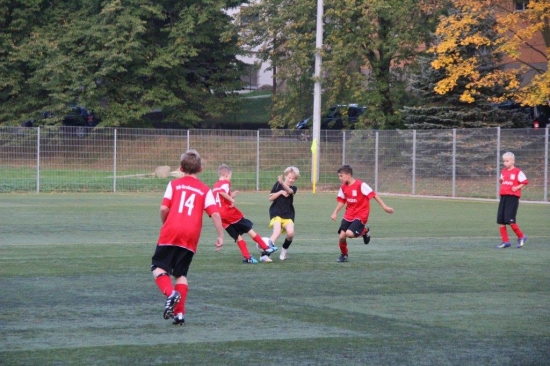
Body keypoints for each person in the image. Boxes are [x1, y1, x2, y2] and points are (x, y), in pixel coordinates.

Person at [151, 150, 225, 326]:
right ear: (200, 169)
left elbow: (163, 208)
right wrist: (221, 235)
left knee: (157, 266)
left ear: (180, 168)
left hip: (171, 231)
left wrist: (166, 223)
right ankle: (179, 315)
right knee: (181, 274)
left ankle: (171, 294)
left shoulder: (174, 184)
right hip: (191, 235)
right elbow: (215, 214)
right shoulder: (205, 189)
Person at [212, 164, 277, 263]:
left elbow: (219, 198)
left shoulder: (215, 185)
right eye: (230, 177)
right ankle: (265, 247)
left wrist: (231, 195)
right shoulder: (225, 183)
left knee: (237, 235)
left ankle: (247, 257)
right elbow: (222, 193)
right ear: (226, 175)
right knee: (248, 227)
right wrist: (232, 200)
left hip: (219, 215)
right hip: (228, 212)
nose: (230, 179)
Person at [331, 164, 394, 262]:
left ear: (348, 175)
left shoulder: (361, 185)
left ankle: (364, 231)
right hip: (349, 214)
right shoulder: (343, 187)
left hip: (361, 214)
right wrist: (335, 212)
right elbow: (342, 201)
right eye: (339, 176)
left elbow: (373, 195)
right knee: (342, 237)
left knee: (349, 233)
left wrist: (385, 207)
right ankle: (344, 255)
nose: (340, 178)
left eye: (341, 176)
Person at [496, 152, 529, 249]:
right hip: (504, 197)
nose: (505, 163)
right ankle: (505, 241)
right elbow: (502, 180)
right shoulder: (504, 171)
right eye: (504, 161)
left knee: (509, 219)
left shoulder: (517, 171)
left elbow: (525, 181)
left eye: (507, 161)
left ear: (513, 161)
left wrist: (517, 187)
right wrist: (501, 181)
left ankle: (521, 236)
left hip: (512, 197)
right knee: (501, 220)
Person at [267, 166, 300, 261]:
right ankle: (266, 253)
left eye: (293, 178)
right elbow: (270, 198)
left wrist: (283, 185)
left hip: (288, 214)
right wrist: (280, 192)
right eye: (289, 177)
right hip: (276, 213)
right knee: (277, 232)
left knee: (290, 234)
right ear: (286, 176)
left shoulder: (294, 188)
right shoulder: (278, 185)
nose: (291, 180)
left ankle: (284, 250)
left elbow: (289, 191)